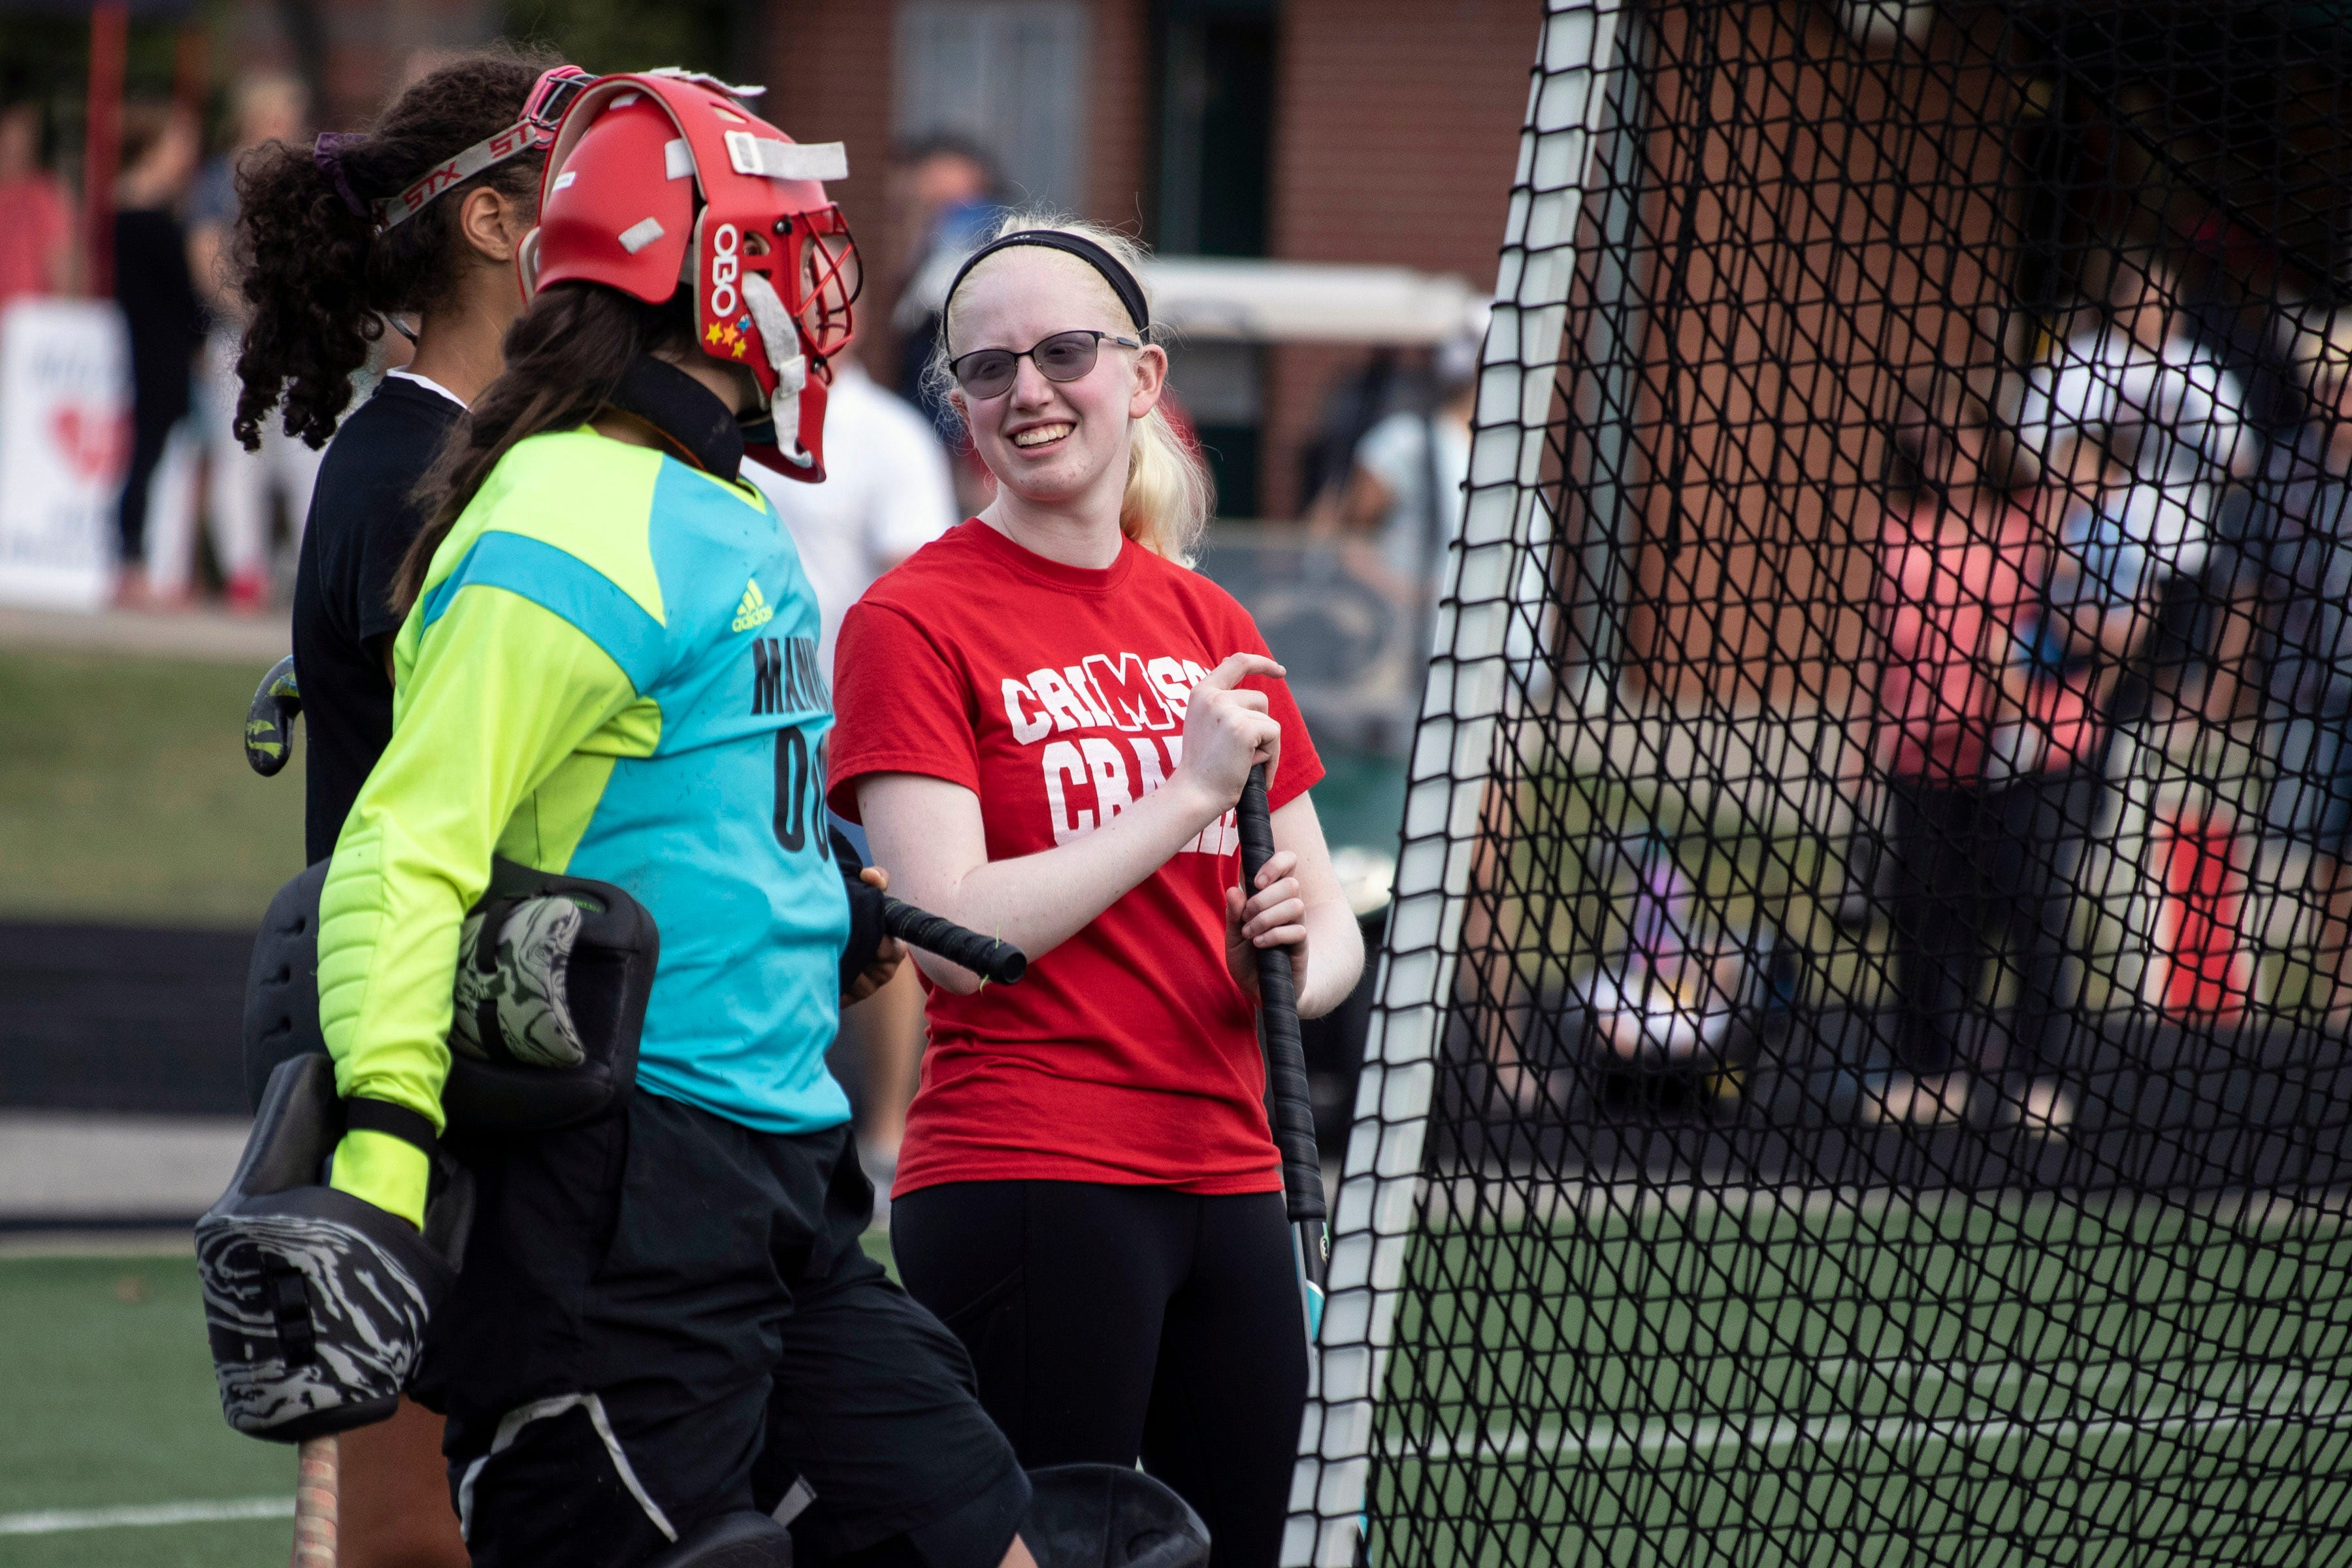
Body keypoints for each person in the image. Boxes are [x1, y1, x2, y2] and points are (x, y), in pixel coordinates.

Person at [312, 71, 1036, 1568]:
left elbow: (687, 795)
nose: (823, 277)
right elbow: (408, 844)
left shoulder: (712, 503)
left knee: (973, 1527)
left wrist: (823, 888)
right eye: (792, 240)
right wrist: (380, 1158)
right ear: (707, 274)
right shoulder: (568, 511)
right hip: (623, 1198)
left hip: (780, 1173)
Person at [828, 214, 1367, 1568]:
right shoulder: (912, 620)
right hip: (1030, 1174)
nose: (1028, 391)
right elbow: (948, 937)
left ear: (1143, 375)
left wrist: (1291, 950)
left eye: (1066, 351)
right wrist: (1181, 800)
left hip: (1235, 1173)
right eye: (987, 368)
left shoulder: (1211, 626)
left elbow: (1335, 938)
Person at [225, 49, 581, 1568]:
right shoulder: (426, 472)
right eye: (591, 188)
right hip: (428, 1059)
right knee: (412, 1533)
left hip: (460, 1045)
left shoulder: (446, 453)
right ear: (500, 225)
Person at [750, 356, 957, 1207]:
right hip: (747, 723)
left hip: (848, 719)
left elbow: (913, 587)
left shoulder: (886, 433)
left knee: (884, 913)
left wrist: (865, 712)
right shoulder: (735, 419)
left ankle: (883, 1135)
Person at [1869, 386, 2100, 1130]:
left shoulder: (2030, 523)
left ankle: (2038, 1075)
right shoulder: (1897, 534)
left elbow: (2077, 619)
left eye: (1954, 436)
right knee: (1926, 914)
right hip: (1923, 751)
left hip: (2025, 752)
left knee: (2035, 909)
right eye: (1924, 442)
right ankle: (1928, 1068)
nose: (1942, 454)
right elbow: (1881, 655)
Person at [187, 73, 323, 610]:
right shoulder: (220, 181)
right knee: (241, 453)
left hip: (303, 339)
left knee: (310, 454)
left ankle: (314, 568)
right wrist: (247, 314)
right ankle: (245, 568)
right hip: (240, 337)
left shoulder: (310, 182)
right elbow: (204, 255)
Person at [2250, 314, 2352, 1028]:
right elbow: (2246, 586)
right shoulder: (2283, 469)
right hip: (2306, 691)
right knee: (2316, 851)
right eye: (2321, 381)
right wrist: (2225, 690)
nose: (2333, 396)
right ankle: (2337, 1004)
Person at [109, 103, 205, 605]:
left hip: (153, 346)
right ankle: (134, 563)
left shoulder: (137, 212)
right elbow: (184, 293)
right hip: (161, 351)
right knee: (149, 456)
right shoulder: (149, 217)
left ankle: (143, 560)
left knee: (154, 456)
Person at [0, 97, 76, 308]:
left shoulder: (44, 195)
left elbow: (61, 262)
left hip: (28, 322)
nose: (14, 146)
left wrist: (60, 316)